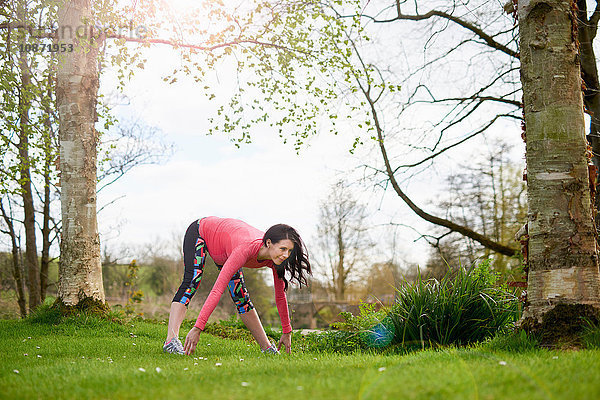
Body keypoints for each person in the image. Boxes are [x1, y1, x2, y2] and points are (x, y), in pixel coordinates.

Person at [162, 216, 311, 356]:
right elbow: (217, 289)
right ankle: (170, 340)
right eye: (283, 249)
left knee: (241, 298)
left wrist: (287, 331)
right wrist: (198, 328)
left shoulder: (276, 260)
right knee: (192, 281)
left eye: (289, 251)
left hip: (226, 250)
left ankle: (267, 348)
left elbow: (280, 296)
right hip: (201, 231)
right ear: (268, 243)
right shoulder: (245, 249)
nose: (286, 255)